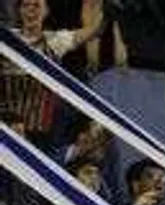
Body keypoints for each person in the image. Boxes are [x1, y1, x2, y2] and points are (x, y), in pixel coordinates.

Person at [2, 0, 105, 146]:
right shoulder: (6, 38)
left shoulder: (55, 40)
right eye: (25, 5)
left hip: (39, 134)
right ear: (19, 11)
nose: (31, 10)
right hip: (5, 126)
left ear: (46, 11)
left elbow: (92, 31)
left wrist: (100, 16)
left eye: (36, 5)